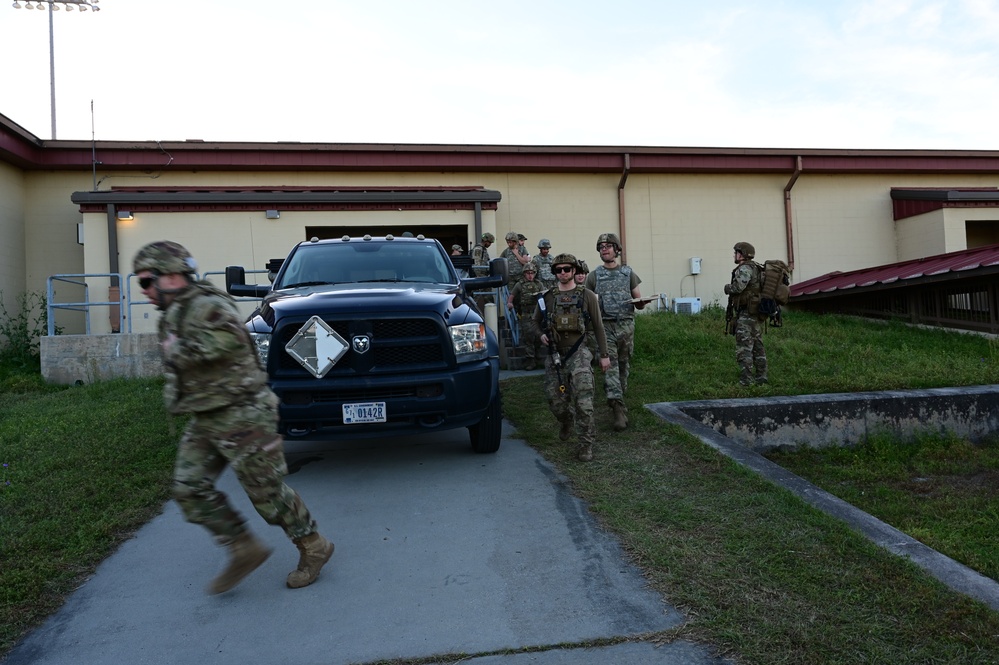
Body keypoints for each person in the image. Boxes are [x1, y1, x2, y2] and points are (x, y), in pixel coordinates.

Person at [132, 241, 334, 594]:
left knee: (267, 494)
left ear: (173, 275)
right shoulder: (175, 311)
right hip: (208, 415)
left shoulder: (206, 305)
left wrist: (177, 350)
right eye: (141, 283)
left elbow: (230, 340)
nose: (144, 290)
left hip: (243, 413)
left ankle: (314, 546)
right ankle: (243, 548)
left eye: (147, 281)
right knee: (188, 486)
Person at [535, 253, 610, 462]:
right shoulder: (546, 298)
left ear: (575, 271)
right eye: (558, 270)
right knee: (555, 402)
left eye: (567, 269)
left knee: (584, 401)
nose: (563, 273)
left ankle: (586, 444)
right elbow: (534, 322)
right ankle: (566, 421)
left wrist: (604, 355)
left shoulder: (587, 296)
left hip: (579, 353)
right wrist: (540, 334)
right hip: (555, 355)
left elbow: (598, 326)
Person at [584, 232, 646, 432]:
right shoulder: (593, 276)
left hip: (626, 326)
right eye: (601, 246)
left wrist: (642, 303)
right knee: (609, 365)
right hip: (605, 327)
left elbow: (639, 301)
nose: (604, 249)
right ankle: (617, 408)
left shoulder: (628, 273)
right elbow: (587, 302)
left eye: (608, 246)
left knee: (623, 364)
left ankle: (617, 394)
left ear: (616, 249)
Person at [725, 241, 768, 386]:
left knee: (744, 347)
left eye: (736, 252)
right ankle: (761, 377)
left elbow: (738, 287)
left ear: (742, 254)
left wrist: (727, 288)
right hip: (755, 313)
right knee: (757, 346)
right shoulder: (756, 267)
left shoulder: (744, 269)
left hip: (747, 313)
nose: (734, 255)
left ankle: (746, 380)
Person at [506, 261, 545, 370]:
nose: (530, 275)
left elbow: (545, 295)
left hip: (537, 313)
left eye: (532, 273)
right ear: (524, 274)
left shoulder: (538, 284)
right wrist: (509, 303)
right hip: (526, 313)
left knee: (538, 336)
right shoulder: (520, 284)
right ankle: (530, 361)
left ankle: (537, 358)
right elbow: (512, 296)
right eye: (528, 273)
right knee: (528, 337)